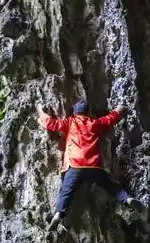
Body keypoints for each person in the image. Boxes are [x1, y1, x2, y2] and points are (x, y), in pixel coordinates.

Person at [37, 99, 140, 230]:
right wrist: (119, 111)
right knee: (109, 185)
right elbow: (109, 120)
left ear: (75, 112)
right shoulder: (94, 123)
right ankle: (128, 199)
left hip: (75, 166)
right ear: (88, 112)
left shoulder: (70, 122)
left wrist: (40, 111)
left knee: (66, 192)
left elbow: (52, 123)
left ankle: (58, 214)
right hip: (94, 167)